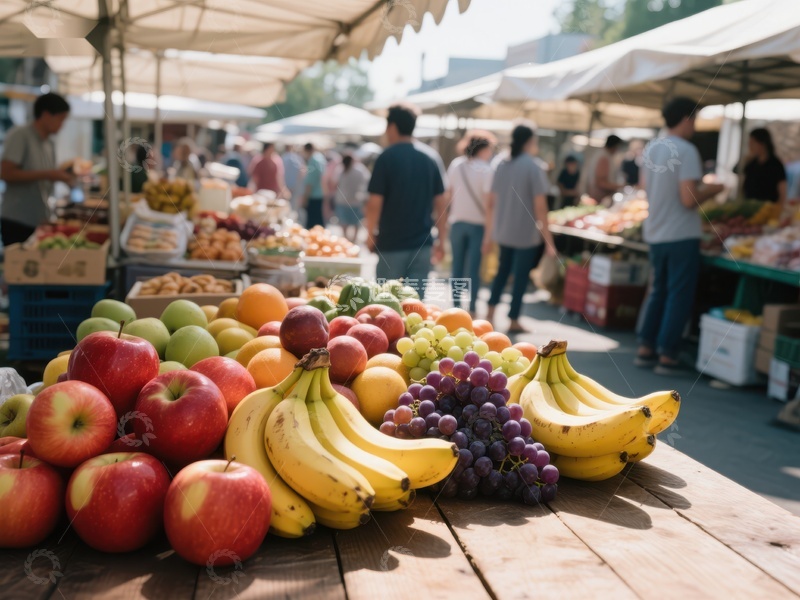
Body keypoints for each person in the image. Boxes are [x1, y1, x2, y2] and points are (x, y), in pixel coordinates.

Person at [636, 97, 725, 375]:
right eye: (695, 120)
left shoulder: (652, 148)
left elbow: (643, 187)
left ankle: (646, 347)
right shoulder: (686, 150)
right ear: (686, 119)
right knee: (678, 295)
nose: (695, 126)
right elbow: (689, 199)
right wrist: (715, 189)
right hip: (680, 234)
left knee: (658, 290)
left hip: (656, 231)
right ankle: (668, 356)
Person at [365, 103, 447, 292]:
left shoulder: (386, 158)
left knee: (386, 305)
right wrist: (442, 241)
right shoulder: (431, 158)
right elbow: (441, 203)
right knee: (415, 307)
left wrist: (370, 235)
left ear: (392, 127)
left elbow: (374, 203)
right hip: (423, 246)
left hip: (391, 245)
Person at [484, 124, 555, 333]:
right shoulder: (534, 167)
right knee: (520, 277)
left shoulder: (501, 163)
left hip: (503, 230)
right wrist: (549, 240)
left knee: (501, 272)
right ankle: (513, 319)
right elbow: (541, 207)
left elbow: (492, 201)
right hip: (525, 233)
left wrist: (490, 233)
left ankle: (489, 314)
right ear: (530, 141)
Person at [0, 92, 73, 245]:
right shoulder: (20, 135)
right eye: (60, 119)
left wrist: (62, 174)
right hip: (17, 219)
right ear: (46, 115)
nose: (62, 125)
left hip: (40, 219)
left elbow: (45, 174)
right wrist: (49, 174)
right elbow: (5, 173)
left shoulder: (50, 143)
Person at [447, 132, 496, 315]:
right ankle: (473, 308)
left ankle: (456, 307)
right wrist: (489, 235)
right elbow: (489, 205)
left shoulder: (456, 165)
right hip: (478, 225)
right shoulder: (487, 170)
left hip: (457, 223)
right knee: (473, 270)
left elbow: (449, 195)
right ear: (483, 149)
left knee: (457, 267)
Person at [742, 128, 787, 205]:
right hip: (750, 206)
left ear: (762, 143)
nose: (749, 146)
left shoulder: (775, 164)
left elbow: (782, 191)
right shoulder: (751, 163)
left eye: (752, 142)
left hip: (768, 209)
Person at [333, 153, 370, 243]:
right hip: (356, 200)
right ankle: (354, 239)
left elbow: (335, 184)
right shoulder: (360, 170)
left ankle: (345, 238)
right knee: (355, 221)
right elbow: (367, 181)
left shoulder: (340, 170)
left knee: (343, 220)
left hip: (342, 199)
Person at [589, 134, 623, 201]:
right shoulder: (604, 157)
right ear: (615, 146)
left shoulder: (604, 155)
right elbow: (601, 182)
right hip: (599, 197)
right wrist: (620, 186)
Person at [302, 143, 327, 229]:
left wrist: (305, 198)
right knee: (319, 221)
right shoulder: (320, 158)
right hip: (320, 194)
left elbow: (310, 182)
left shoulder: (313, 160)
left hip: (313, 196)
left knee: (313, 224)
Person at [282, 144, 306, 211]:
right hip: (295, 188)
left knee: (286, 208)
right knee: (293, 208)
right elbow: (302, 172)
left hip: (287, 188)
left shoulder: (284, 158)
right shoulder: (297, 158)